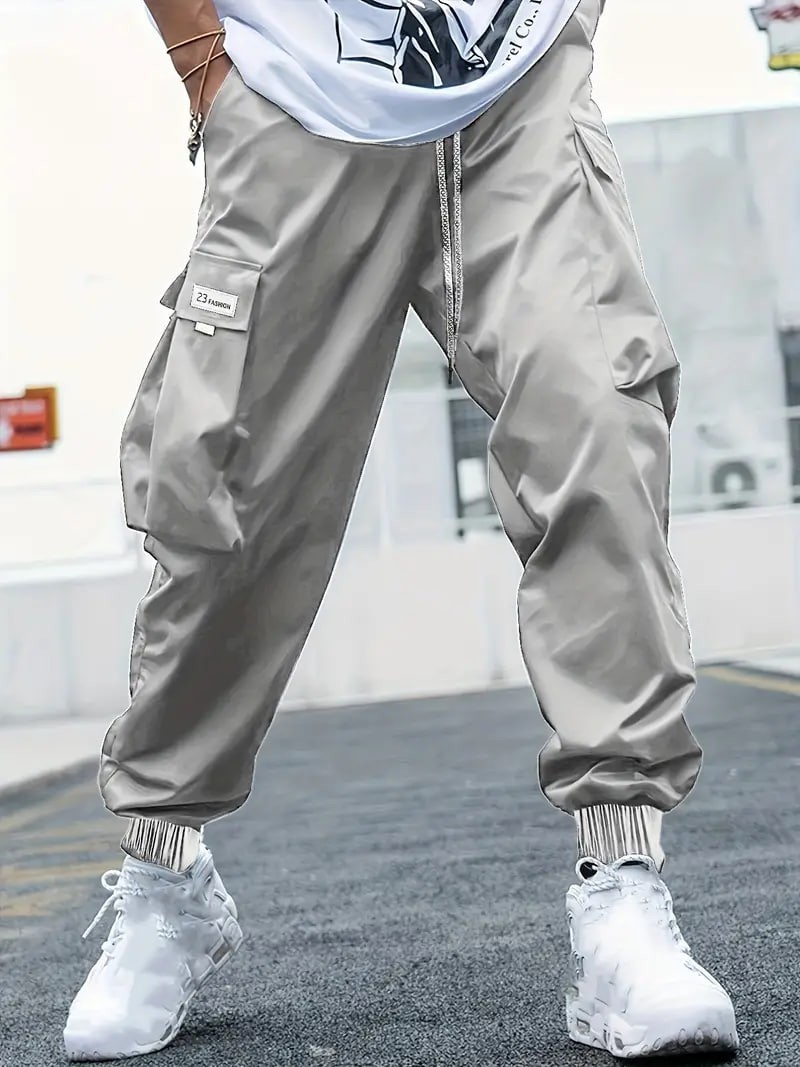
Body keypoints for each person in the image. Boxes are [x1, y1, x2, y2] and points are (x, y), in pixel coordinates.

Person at [64, 0, 740, 1060]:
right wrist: (203, 64)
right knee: (225, 501)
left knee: (598, 429)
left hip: (516, 79)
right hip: (296, 95)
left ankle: (622, 889)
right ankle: (163, 878)